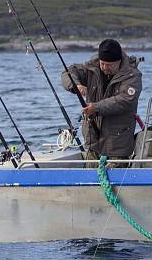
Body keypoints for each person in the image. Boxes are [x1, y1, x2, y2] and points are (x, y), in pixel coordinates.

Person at [61, 39, 142, 167]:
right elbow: (68, 72)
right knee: (91, 178)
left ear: (119, 61)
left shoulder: (132, 76)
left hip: (118, 144)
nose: (105, 68)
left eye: (109, 65)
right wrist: (75, 85)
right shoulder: (91, 68)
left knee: (114, 180)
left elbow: (124, 100)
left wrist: (96, 107)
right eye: (102, 63)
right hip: (92, 140)